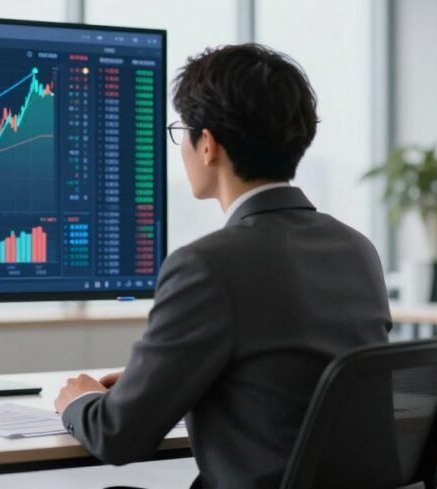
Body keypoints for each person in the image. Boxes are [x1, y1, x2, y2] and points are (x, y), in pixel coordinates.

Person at [54, 43, 391, 489]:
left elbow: (118, 437)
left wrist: (80, 402)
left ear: (208, 144)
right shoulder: (357, 249)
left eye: (182, 132)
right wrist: (155, 381)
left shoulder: (205, 265)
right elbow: (287, 375)